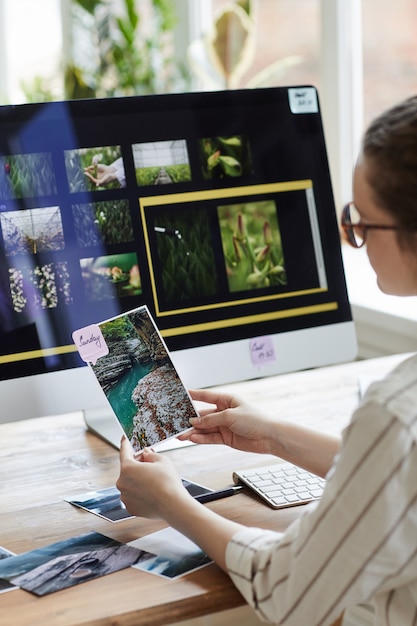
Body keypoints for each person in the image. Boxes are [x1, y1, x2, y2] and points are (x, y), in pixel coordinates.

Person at [116, 96, 417, 626]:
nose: (355, 239)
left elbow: (291, 591)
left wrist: (173, 503)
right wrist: (274, 437)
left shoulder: (397, 410)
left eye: (362, 223)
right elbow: (399, 479)